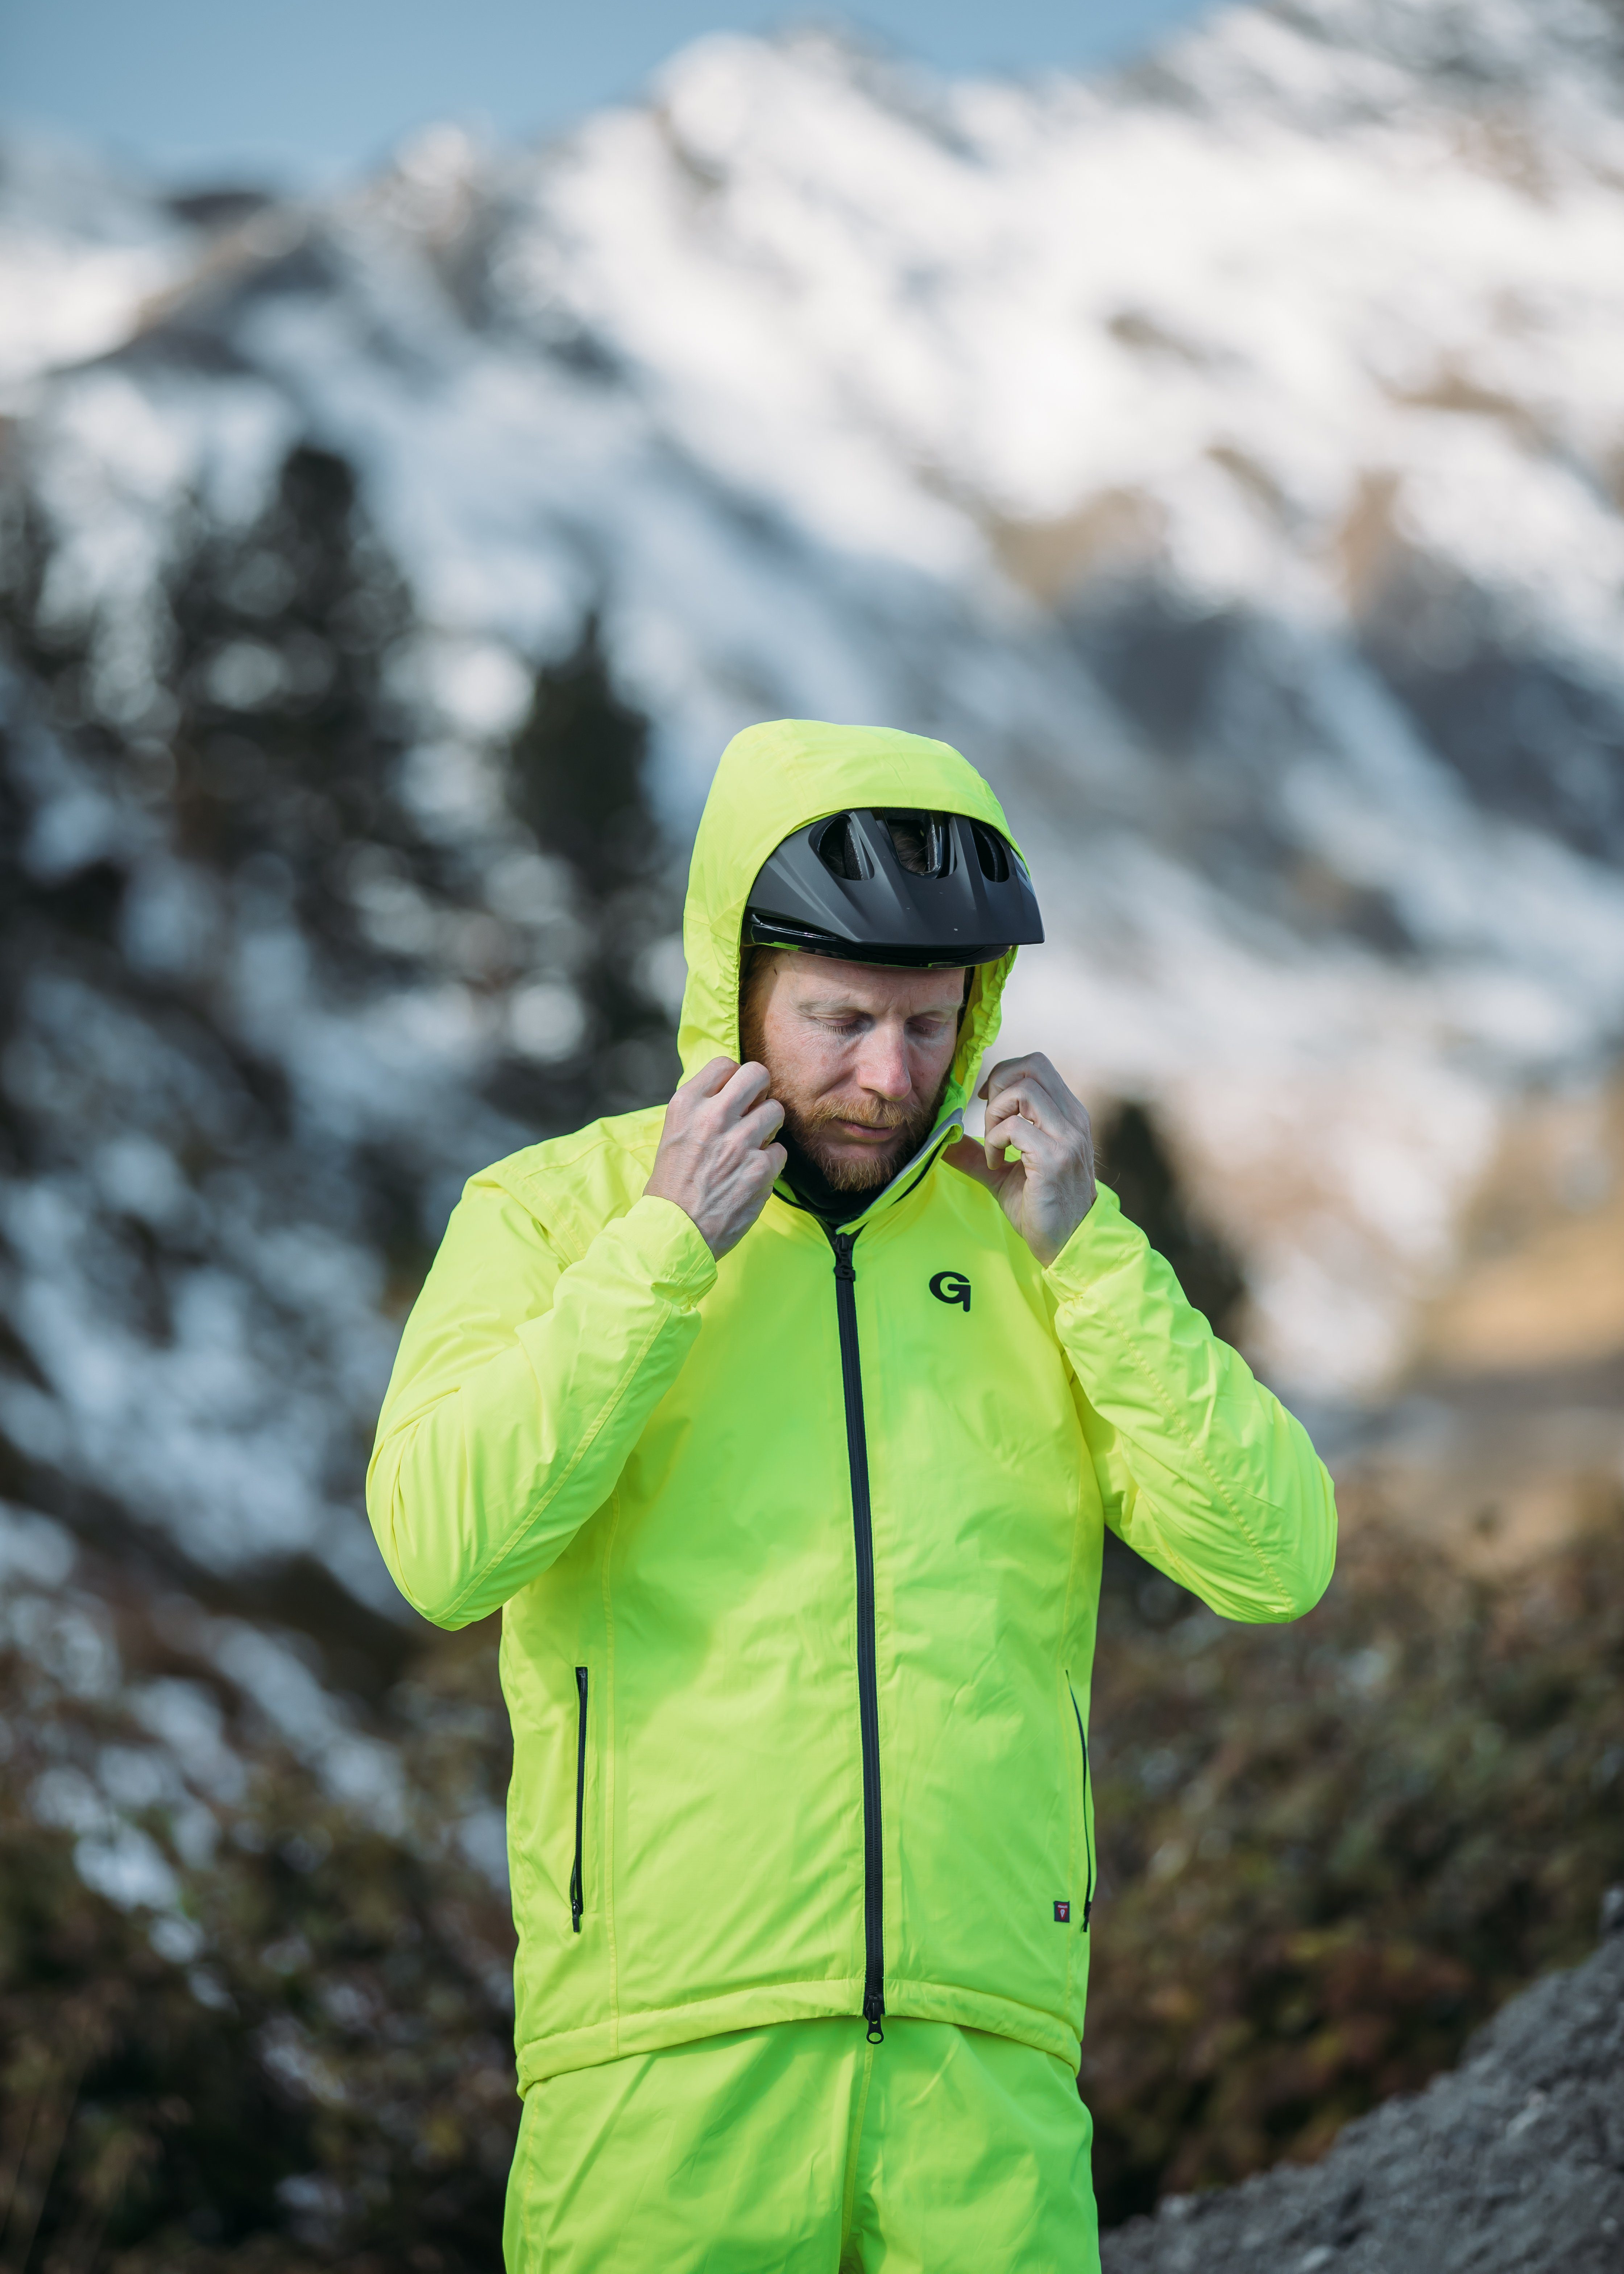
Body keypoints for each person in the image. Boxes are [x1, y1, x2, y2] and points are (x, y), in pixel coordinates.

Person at [368, 719, 1337, 2272]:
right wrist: (663, 1255)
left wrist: (1089, 1261)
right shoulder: (554, 1217)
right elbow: (441, 1546)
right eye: (838, 1019)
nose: (888, 1077)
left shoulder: (1041, 1253)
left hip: (989, 2071)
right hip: (664, 2065)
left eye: (929, 1023)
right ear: (733, 979)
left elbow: (1276, 1555)